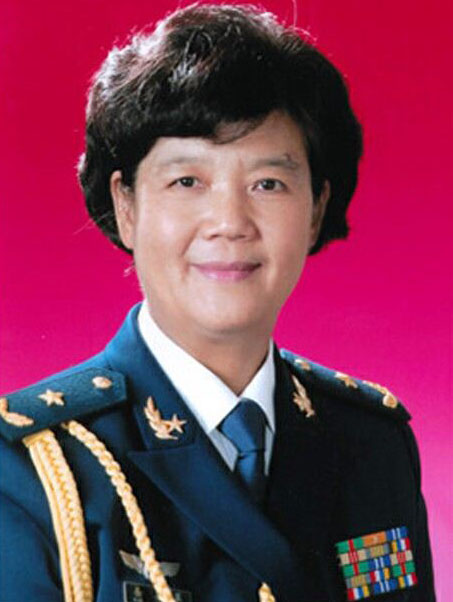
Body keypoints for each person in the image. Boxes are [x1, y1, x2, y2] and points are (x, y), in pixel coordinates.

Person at [0, 4, 435, 601]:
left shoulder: (372, 444)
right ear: (126, 205)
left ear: (315, 209)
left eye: (268, 183)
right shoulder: (35, 467)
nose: (230, 222)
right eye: (188, 182)